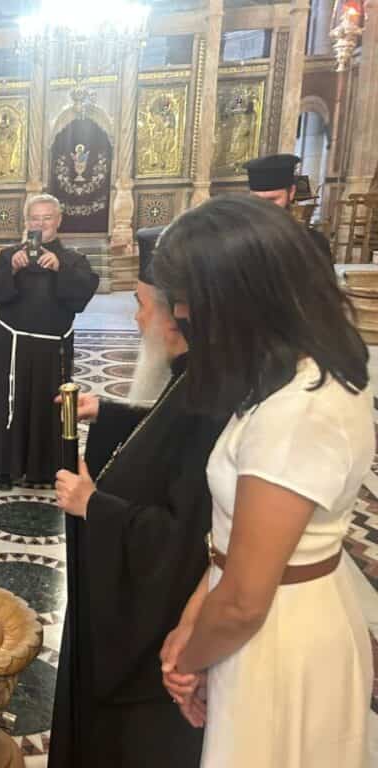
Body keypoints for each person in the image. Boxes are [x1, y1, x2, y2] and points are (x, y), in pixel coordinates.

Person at [156, 194, 373, 767]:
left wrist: (188, 662)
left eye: (189, 298)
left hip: (278, 642)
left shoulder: (298, 412)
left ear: (237, 298)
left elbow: (244, 602)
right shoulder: (294, 374)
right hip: (263, 620)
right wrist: (192, 620)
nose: (181, 313)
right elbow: (237, 540)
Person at [48, 227, 226, 768]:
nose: (136, 318)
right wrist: (110, 414)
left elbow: (182, 541)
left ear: (177, 317)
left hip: (149, 654)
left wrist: (92, 505)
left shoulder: (211, 401)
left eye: (142, 305)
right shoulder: (196, 378)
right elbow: (163, 434)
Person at [0, 193, 99, 490]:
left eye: (47, 218)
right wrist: (11, 270)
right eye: (35, 218)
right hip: (13, 346)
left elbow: (81, 296)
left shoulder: (72, 260)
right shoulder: (10, 255)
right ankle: (6, 467)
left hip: (53, 350)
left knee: (51, 407)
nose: (41, 224)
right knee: (11, 405)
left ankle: (47, 469)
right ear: (26, 221)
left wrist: (60, 269)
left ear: (58, 221)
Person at [245, 153, 331, 260]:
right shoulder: (237, 243)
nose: (263, 207)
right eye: (257, 200)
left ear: (291, 193)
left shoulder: (313, 244)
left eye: (272, 199)